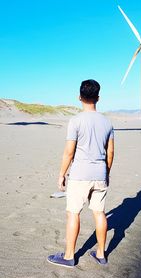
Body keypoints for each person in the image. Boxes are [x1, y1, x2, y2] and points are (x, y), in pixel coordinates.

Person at [47, 79, 114, 267]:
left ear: (79, 97)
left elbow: (69, 152)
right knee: (100, 213)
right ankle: (101, 254)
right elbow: (110, 152)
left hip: (79, 174)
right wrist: (106, 172)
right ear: (98, 98)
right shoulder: (107, 122)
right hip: (100, 173)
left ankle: (69, 256)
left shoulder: (75, 121)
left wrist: (61, 174)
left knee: (73, 213)